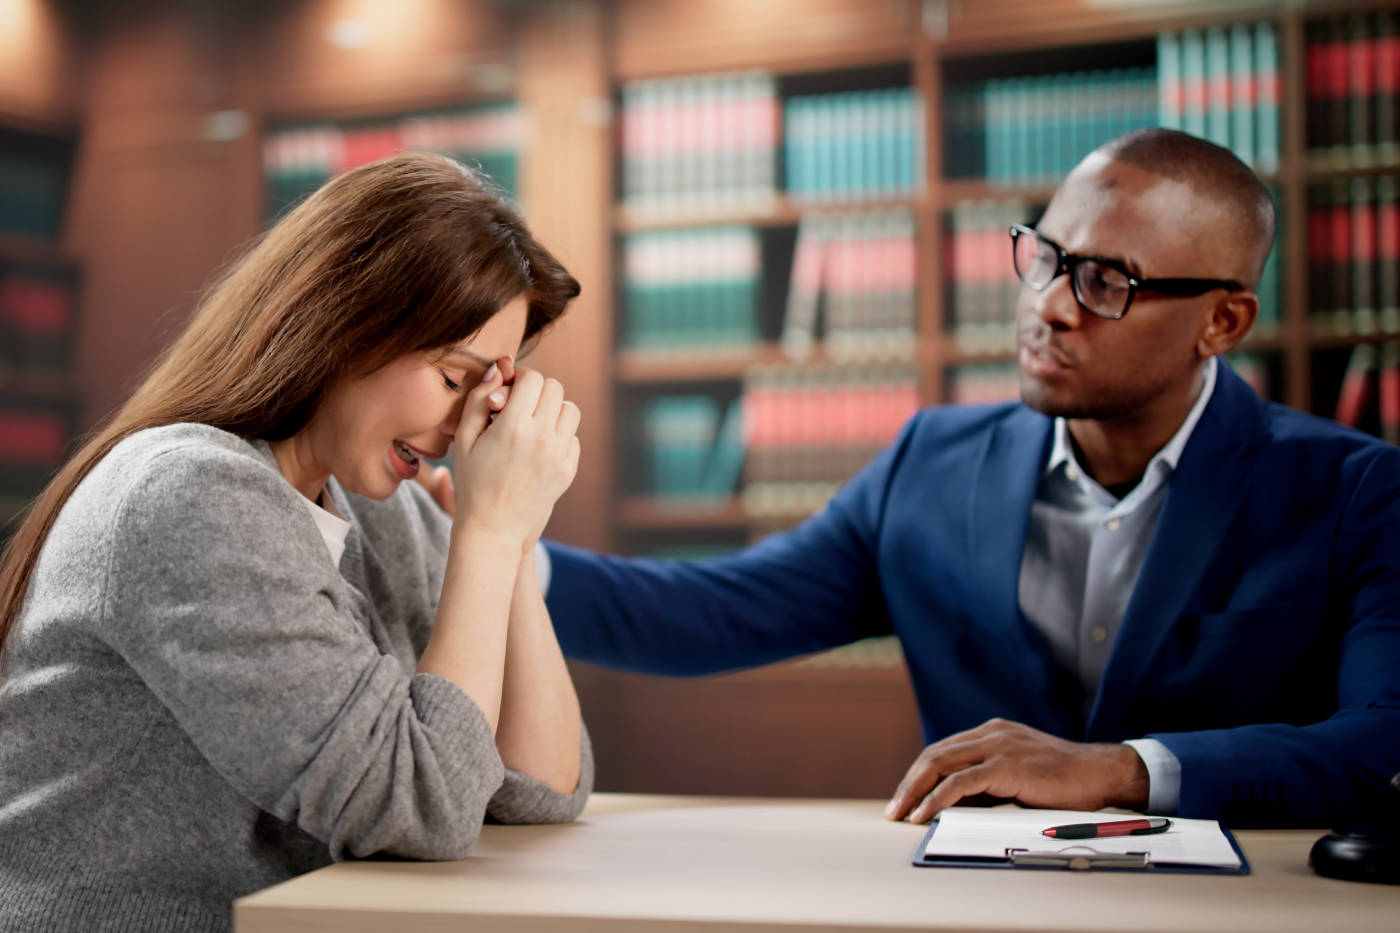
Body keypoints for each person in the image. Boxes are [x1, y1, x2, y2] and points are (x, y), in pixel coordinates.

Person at [538, 128, 1400, 829]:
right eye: (1047, 257)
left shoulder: (1355, 493)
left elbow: (1383, 742)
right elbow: (710, 614)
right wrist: (490, 549)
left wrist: (1120, 770)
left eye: (1106, 282)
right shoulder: (932, 464)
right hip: (976, 910)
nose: (1049, 305)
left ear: (1222, 320)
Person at [0, 152, 593, 932]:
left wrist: (512, 545)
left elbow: (542, 786)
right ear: (350, 321)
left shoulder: (378, 507)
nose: (464, 431)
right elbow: (423, 806)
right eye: (456, 380)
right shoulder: (188, 498)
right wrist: (484, 532)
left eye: (490, 394)